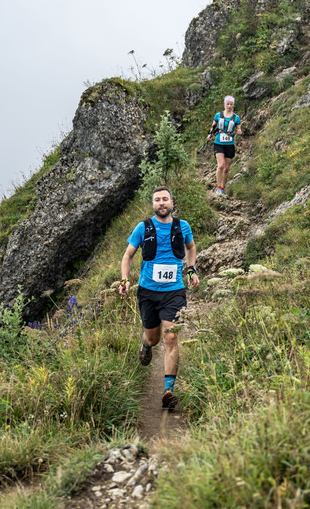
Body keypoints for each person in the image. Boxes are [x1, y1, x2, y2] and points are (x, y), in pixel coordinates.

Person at [119, 186, 200, 409]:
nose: (161, 203)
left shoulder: (183, 227)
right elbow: (127, 255)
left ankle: (168, 390)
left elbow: (191, 248)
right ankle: (145, 345)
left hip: (174, 292)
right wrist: (124, 280)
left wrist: (191, 268)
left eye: (165, 199)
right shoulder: (142, 228)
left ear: (172, 202)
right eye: (157, 200)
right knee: (154, 339)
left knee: (171, 338)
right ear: (153, 204)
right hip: (148, 293)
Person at [207, 95, 242, 195]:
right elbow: (213, 127)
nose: (229, 106)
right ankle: (218, 187)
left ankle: (223, 187)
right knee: (221, 165)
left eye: (231, 104)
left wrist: (239, 131)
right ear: (224, 104)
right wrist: (209, 135)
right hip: (219, 143)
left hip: (230, 144)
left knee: (226, 168)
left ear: (233, 105)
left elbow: (238, 127)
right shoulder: (218, 115)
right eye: (228, 104)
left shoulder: (236, 117)